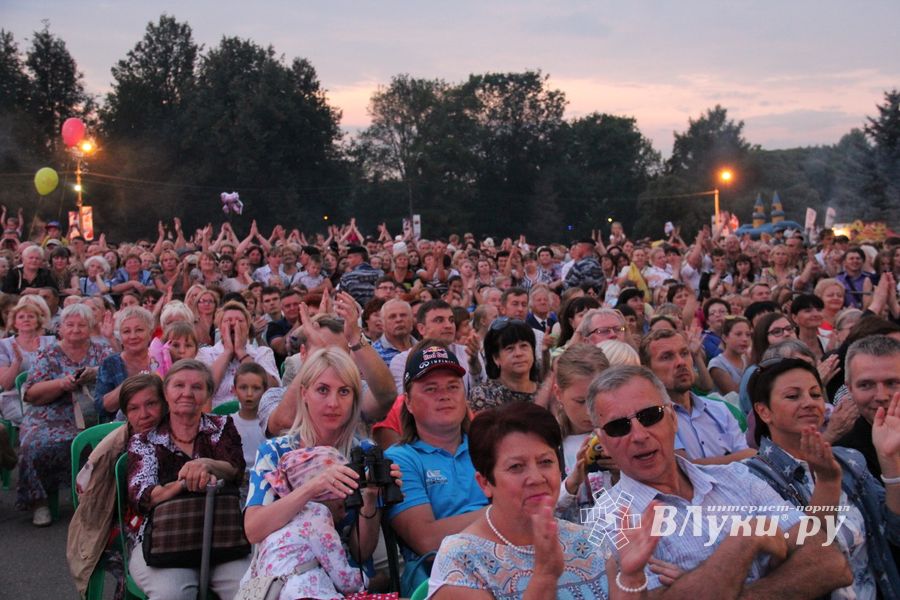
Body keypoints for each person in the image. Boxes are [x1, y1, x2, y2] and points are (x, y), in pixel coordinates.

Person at [586, 365, 853, 597]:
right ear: (603, 443)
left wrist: (708, 585)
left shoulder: (737, 477)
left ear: (672, 418)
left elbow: (829, 561)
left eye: (650, 416)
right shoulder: (608, 520)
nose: (639, 435)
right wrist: (746, 541)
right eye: (618, 427)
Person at [428, 402, 656, 599]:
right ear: (485, 482)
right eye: (516, 467)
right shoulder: (462, 561)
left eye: (545, 462)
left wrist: (631, 575)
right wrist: (545, 576)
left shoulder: (588, 540)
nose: (536, 478)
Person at [244, 348, 400, 590]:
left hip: (349, 579)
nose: (333, 403)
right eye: (323, 390)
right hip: (286, 579)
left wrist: (370, 500)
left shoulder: (365, 453)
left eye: (344, 391)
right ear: (304, 394)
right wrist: (313, 487)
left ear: (355, 399)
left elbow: (361, 553)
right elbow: (253, 530)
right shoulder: (276, 451)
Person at [747, 358, 900, 599]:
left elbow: (894, 531)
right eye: (792, 396)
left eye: (815, 394)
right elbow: (806, 564)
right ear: (764, 411)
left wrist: (890, 460)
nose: (809, 403)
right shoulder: (752, 479)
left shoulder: (849, 460)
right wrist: (828, 483)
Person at [126, 360, 248, 598]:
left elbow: (236, 469)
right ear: (166, 392)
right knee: (172, 594)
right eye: (179, 385)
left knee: (252, 590)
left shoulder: (221, 426)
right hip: (163, 542)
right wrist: (185, 483)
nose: (187, 393)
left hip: (224, 537)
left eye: (196, 387)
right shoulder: (145, 440)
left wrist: (206, 464)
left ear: (208, 394)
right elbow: (142, 496)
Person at [383, 340, 488, 592]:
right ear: (408, 402)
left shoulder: (489, 445)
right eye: (430, 389)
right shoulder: (399, 459)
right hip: (443, 579)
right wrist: (505, 513)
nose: (444, 395)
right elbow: (427, 540)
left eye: (453, 386)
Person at [67, 374, 166, 598]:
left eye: (151, 404)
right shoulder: (117, 449)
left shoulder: (175, 435)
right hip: (119, 517)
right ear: (125, 413)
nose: (144, 415)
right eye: (134, 408)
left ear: (164, 403)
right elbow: (91, 499)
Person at [19, 303, 114, 525]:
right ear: (60, 328)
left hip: (94, 413)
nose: (75, 329)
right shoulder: (48, 352)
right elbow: (31, 393)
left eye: (82, 325)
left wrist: (95, 374)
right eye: (69, 325)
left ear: (91, 327)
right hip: (51, 413)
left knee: (109, 441)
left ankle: (97, 497)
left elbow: (117, 381)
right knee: (33, 443)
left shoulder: (102, 351)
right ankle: (40, 502)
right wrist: (62, 384)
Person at [244, 445, 366, 597]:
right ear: (322, 494)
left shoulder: (277, 522)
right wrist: (367, 580)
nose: (344, 513)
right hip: (306, 593)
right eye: (342, 505)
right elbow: (345, 581)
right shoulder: (317, 515)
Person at [640, 328, 754, 464]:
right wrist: (737, 458)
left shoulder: (719, 409)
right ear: (647, 370)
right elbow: (684, 468)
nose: (681, 362)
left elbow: (749, 462)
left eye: (684, 353)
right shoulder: (650, 419)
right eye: (667, 357)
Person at [552, 343, 617, 523]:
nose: (589, 411)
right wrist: (572, 483)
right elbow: (539, 512)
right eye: (580, 401)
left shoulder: (623, 433)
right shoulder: (548, 444)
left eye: (596, 400)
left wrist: (622, 473)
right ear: (558, 393)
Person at [835, 335, 900, 479]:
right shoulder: (843, 457)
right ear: (850, 389)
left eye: (892, 383)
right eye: (866, 385)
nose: (881, 396)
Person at [196, 300, 280, 408]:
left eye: (240, 321)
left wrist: (241, 352)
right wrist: (227, 352)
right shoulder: (205, 353)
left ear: (248, 328)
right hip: (217, 416)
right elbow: (203, 389)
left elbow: (272, 390)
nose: (234, 324)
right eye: (228, 320)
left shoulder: (262, 352)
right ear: (220, 328)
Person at [468, 318, 545, 413]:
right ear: (496, 358)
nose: (518, 353)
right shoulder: (485, 394)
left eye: (524, 346)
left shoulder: (546, 393)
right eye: (510, 348)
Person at [0, 296, 56, 423]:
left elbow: (57, 372)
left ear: (38, 321)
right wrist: (17, 361)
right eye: (21, 317)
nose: (26, 319)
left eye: (31, 316)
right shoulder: (3, 345)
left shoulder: (51, 342)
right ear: (15, 323)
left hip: (48, 395)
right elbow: (6, 384)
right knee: (35, 418)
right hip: (15, 397)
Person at [96, 306, 158, 419]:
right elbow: (102, 407)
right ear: (120, 336)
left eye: (139, 330)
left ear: (150, 333)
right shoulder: (110, 363)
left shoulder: (160, 359)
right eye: (126, 331)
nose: (133, 336)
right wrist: (131, 384)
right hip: (120, 429)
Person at [231, 361, 268, 473]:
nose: (249, 394)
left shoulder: (270, 424)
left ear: (265, 391)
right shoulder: (228, 423)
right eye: (243, 387)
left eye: (256, 388)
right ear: (234, 390)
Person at [707, 316, 751, 395]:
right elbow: (735, 395)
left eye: (748, 335)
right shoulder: (717, 364)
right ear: (725, 338)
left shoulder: (747, 359)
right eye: (738, 334)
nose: (745, 339)